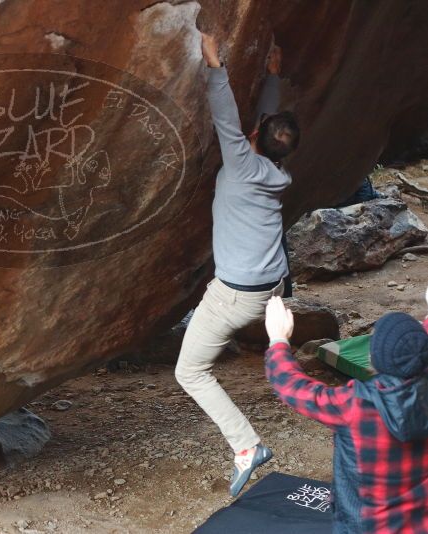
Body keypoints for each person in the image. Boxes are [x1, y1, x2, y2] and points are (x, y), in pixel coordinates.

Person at [175, 32, 301, 497]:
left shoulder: (243, 164)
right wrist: (271, 78)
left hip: (236, 294)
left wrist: (214, 64)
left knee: (189, 372)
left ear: (254, 141)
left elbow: (225, 115)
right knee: (200, 356)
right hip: (268, 290)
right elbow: (265, 125)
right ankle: (246, 444)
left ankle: (247, 446)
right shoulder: (277, 172)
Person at [265, 295, 428, 533]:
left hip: (366, 524)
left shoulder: (355, 405)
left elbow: (293, 387)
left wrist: (278, 340)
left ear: (373, 359)